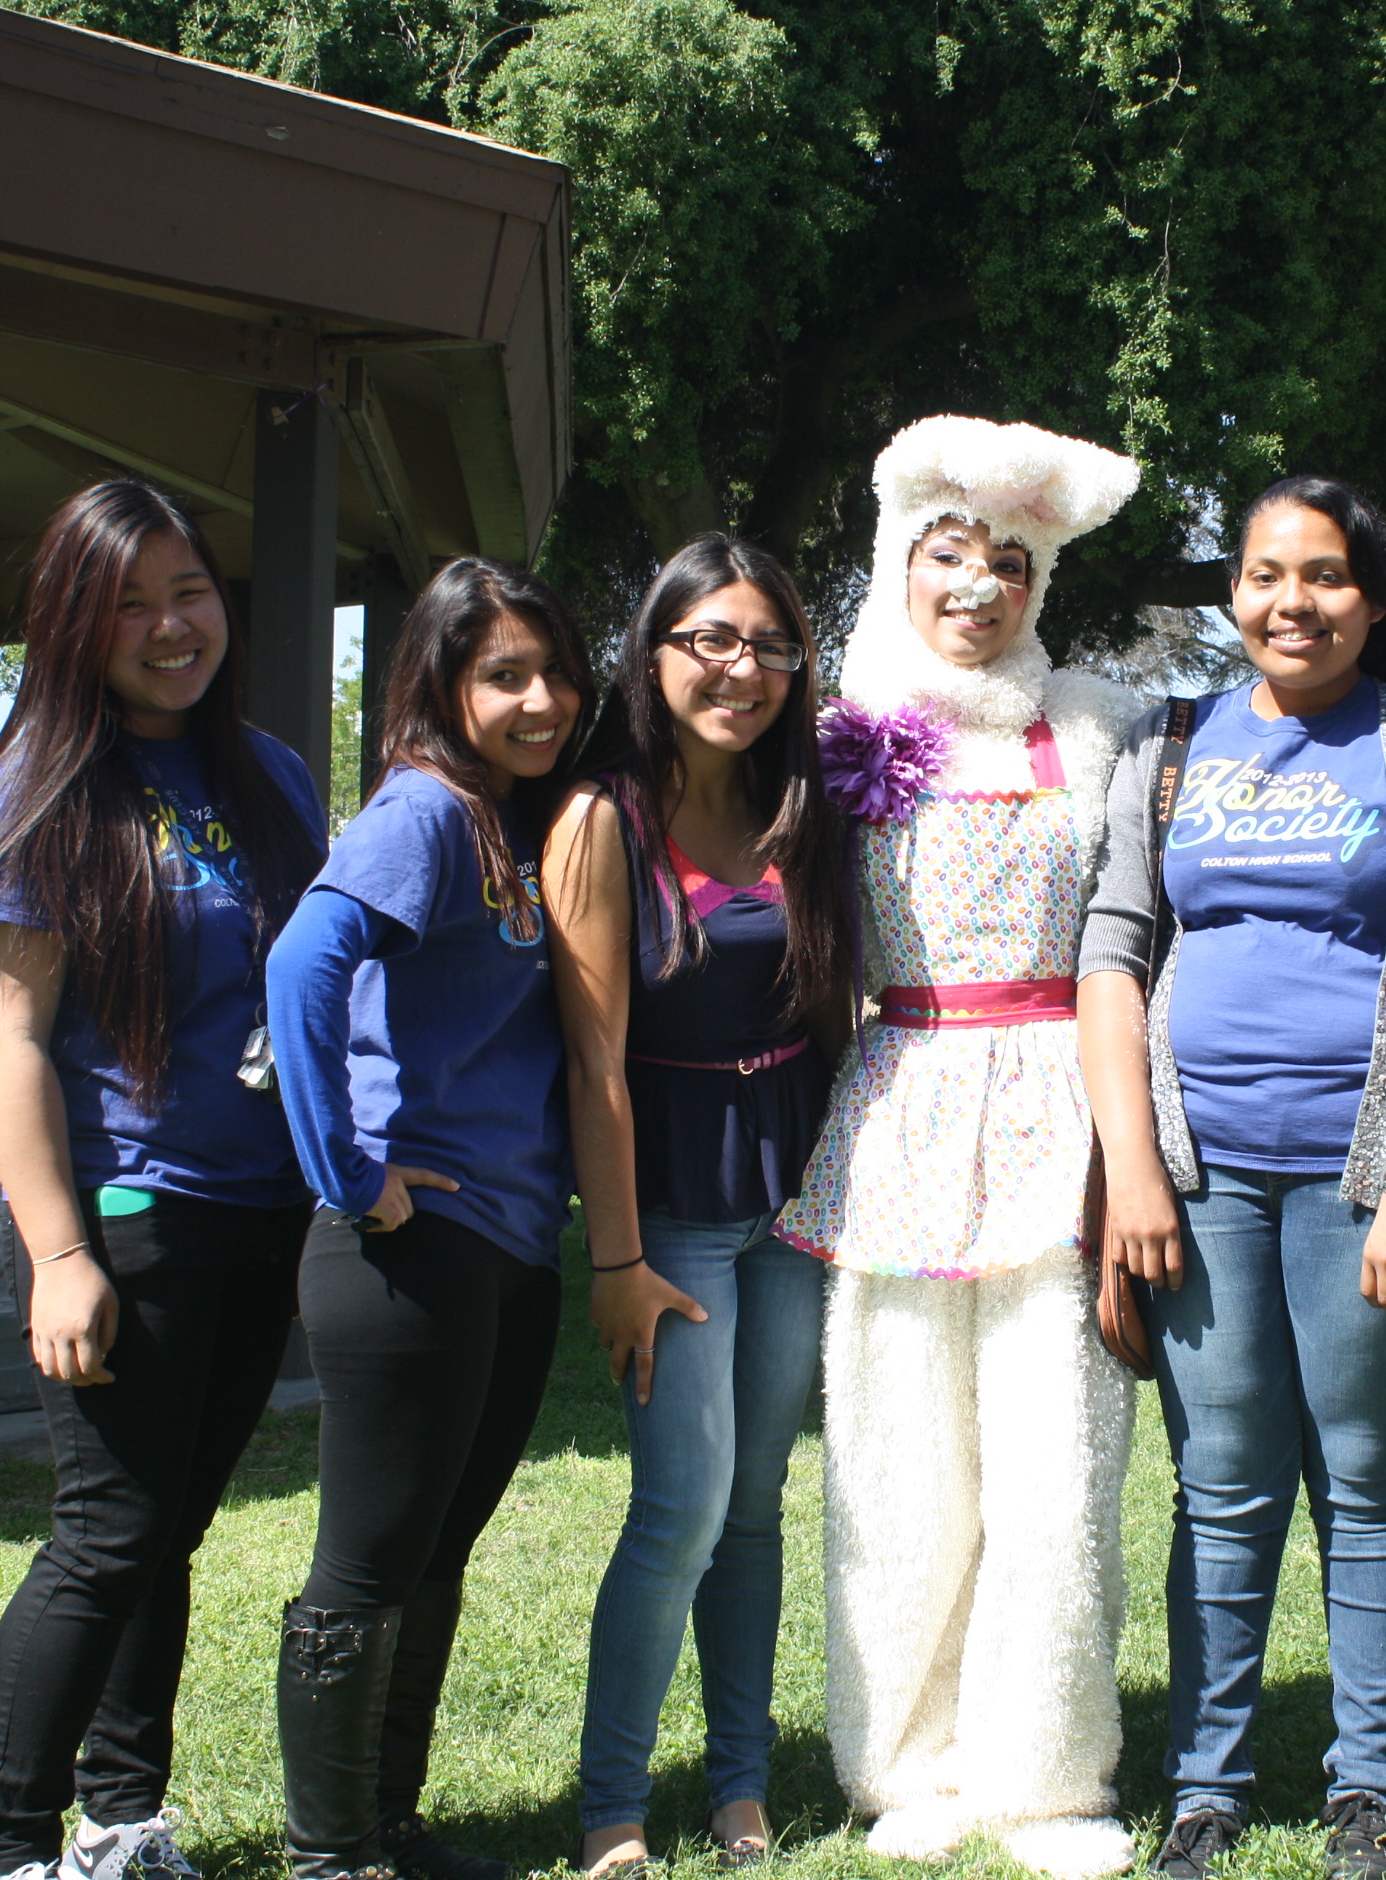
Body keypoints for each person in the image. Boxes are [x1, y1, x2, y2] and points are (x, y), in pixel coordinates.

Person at [1078, 475, 1386, 1880]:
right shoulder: (1169, 742)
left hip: (1362, 1179)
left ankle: (1367, 1785)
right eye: (1265, 575)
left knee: (1372, 1479)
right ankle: (1206, 1787)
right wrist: (1132, 1169)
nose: (1291, 603)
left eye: (1324, 576)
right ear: (1235, 595)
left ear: (1372, 597)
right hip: (1201, 1181)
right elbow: (1112, 957)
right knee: (1223, 1480)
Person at [771, 415, 1147, 1879]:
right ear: (897, 560)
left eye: (1011, 563)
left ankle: (1050, 1781)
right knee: (897, 1462)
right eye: (948, 556)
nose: (978, 588)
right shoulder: (832, 730)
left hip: (1068, 1109)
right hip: (905, 1109)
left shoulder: (1103, 724)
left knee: (1061, 1467)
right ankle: (902, 1767)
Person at [0, 480, 327, 1880]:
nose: (172, 626)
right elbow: (6, 1038)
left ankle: (123, 1819)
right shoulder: (32, 796)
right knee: (107, 1534)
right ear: (73, 620)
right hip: (126, 1211)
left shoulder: (271, 777)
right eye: (132, 599)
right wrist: (58, 1252)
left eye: (191, 591)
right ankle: (7, 1850)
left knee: (169, 1526)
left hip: (262, 1209)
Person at [262, 558, 596, 1880]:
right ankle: (328, 1856)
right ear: (444, 685)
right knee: (369, 1559)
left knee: (436, 1549)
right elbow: (302, 964)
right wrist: (352, 1174)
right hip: (409, 1245)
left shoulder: (515, 820)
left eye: (555, 671)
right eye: (505, 674)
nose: (542, 699)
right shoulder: (427, 809)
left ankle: (386, 1826)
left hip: (508, 1244)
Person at [546, 534, 852, 1873]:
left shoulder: (805, 808)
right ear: (654, 650)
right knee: (678, 1508)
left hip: (789, 1204)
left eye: (772, 645)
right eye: (715, 640)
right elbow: (592, 1064)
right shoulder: (598, 818)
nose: (744, 668)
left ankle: (738, 1788)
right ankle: (613, 1805)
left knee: (757, 1502)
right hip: (667, 1215)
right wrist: (616, 1262)